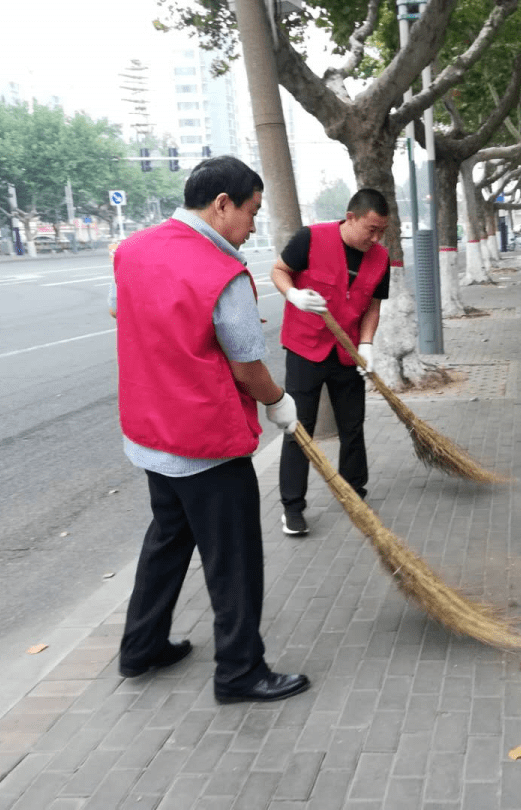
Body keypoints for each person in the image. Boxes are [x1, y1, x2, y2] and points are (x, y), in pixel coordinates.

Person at [111, 155, 310, 704]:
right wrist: (279, 402)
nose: (253, 228)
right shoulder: (222, 274)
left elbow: (118, 311)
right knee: (234, 560)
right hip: (205, 443)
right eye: (251, 213)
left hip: (151, 435)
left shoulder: (132, 249)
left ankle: (141, 646)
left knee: (168, 540)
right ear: (222, 204)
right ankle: (240, 673)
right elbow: (247, 364)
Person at [272, 188, 391, 536]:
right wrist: (292, 294)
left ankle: (355, 493)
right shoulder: (311, 238)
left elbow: (372, 305)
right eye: (371, 228)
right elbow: (280, 270)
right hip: (305, 349)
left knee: (352, 426)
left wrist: (367, 344)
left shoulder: (380, 257)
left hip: (346, 352)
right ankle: (292, 508)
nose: (376, 237)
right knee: (299, 428)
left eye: (381, 230)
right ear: (350, 218)